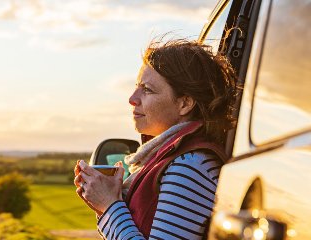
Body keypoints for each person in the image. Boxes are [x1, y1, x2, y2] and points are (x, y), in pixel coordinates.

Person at [74, 37, 236, 240]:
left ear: (185, 103)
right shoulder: (176, 159)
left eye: (147, 90)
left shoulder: (190, 165)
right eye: (136, 87)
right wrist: (105, 205)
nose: (132, 99)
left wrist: (109, 205)